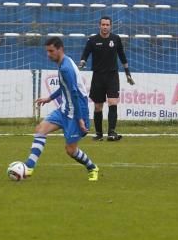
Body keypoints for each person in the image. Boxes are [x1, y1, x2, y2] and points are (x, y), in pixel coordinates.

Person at [21, 36, 99, 181]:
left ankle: (92, 167)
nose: (48, 54)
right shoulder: (65, 62)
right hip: (65, 109)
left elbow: (74, 93)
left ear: (60, 49)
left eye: (51, 51)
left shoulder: (66, 68)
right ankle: (29, 167)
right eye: (47, 51)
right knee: (40, 129)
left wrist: (80, 119)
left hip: (76, 112)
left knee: (70, 150)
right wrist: (49, 98)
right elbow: (65, 86)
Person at [79, 16, 134, 141]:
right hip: (98, 76)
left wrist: (128, 73)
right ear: (99, 25)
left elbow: (122, 56)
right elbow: (85, 54)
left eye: (107, 25)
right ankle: (99, 134)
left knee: (112, 102)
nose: (105, 27)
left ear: (110, 26)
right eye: (103, 24)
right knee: (98, 106)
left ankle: (112, 132)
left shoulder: (116, 39)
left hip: (112, 76)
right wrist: (82, 62)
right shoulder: (92, 40)